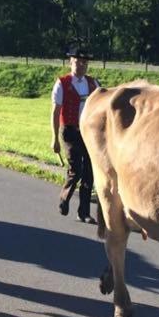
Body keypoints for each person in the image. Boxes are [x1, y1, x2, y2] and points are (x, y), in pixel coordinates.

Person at [51, 44, 99, 224]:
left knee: (89, 172)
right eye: (78, 62)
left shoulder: (94, 84)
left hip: (89, 134)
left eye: (84, 63)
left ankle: (84, 212)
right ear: (71, 62)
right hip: (70, 131)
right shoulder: (62, 83)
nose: (81, 66)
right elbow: (55, 112)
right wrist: (54, 138)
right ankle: (65, 197)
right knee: (76, 169)